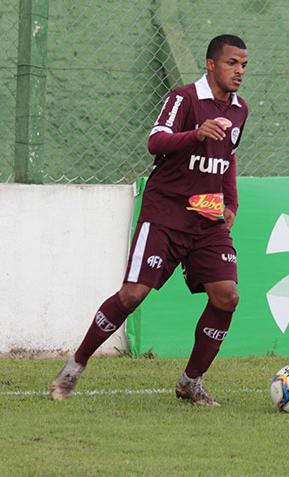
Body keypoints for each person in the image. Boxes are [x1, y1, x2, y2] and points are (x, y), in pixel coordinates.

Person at [50, 34, 250, 407]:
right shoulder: (184, 98)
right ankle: (74, 366)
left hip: (208, 219)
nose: (239, 71)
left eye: (243, 65)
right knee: (133, 294)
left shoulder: (240, 109)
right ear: (211, 64)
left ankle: (191, 382)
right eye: (231, 63)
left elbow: (229, 156)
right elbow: (155, 142)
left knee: (227, 297)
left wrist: (231, 203)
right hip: (166, 214)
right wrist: (195, 134)